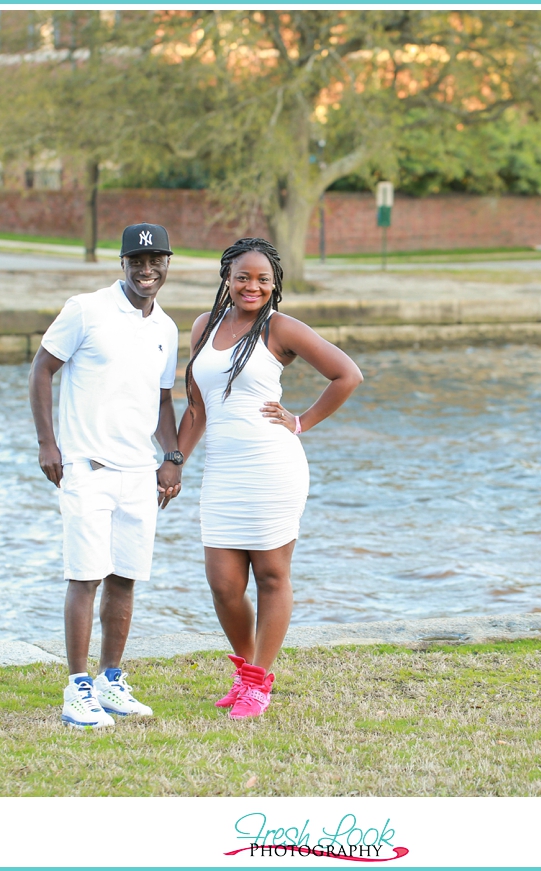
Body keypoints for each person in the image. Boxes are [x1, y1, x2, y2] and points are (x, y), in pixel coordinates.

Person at [177, 237, 363, 719]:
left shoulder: (280, 328)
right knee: (223, 583)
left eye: (262, 279)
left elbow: (347, 374)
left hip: (272, 465)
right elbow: (197, 408)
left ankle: (258, 682)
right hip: (222, 469)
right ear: (227, 279)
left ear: (274, 283)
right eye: (243, 277)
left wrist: (301, 421)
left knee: (271, 574)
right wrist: (174, 460)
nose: (252, 286)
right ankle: (246, 671)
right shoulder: (204, 327)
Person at [29, 222, 185, 730]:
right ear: (122, 263)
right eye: (136, 262)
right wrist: (47, 443)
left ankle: (109, 680)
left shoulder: (166, 328)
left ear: (166, 264)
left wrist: (172, 457)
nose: (146, 270)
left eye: (154, 261)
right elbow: (41, 371)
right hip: (86, 466)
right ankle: (77, 690)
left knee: (125, 578)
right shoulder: (86, 310)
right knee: (86, 575)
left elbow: (162, 400)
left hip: (140, 472)